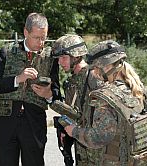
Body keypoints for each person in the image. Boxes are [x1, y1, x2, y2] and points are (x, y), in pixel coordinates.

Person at [0, 13, 61, 166]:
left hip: (34, 124)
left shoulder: (50, 57)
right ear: (26, 32)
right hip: (5, 123)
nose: (41, 42)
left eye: (44, 37)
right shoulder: (6, 52)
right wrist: (17, 79)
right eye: (36, 37)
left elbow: (57, 93)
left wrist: (49, 94)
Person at [64, 40, 147, 165]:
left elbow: (98, 137)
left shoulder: (106, 97)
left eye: (96, 68)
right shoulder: (137, 89)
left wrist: (74, 131)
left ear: (107, 67)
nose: (94, 73)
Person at [50, 34, 102, 166]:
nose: (59, 62)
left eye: (63, 58)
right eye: (58, 58)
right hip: (81, 146)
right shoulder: (71, 81)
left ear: (77, 56)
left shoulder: (94, 77)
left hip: (98, 148)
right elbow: (74, 112)